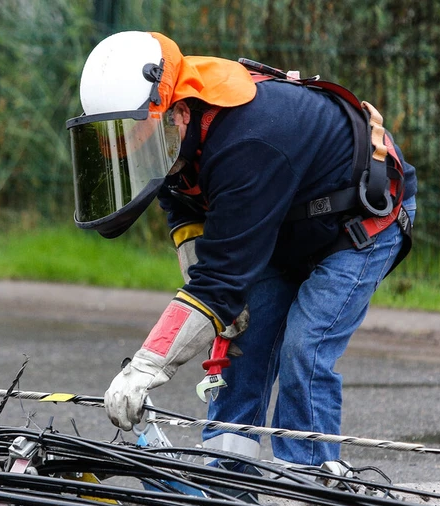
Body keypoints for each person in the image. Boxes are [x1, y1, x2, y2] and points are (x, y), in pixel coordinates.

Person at [67, 31, 417, 467]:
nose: (138, 158)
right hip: (283, 222)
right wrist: (220, 311)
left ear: (177, 112)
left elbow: (219, 281)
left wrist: (146, 367)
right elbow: (186, 211)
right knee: (241, 344)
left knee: (303, 349)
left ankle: (309, 485)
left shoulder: (245, 142)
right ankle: (227, 484)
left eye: (144, 141)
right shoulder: (171, 135)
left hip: (358, 222)